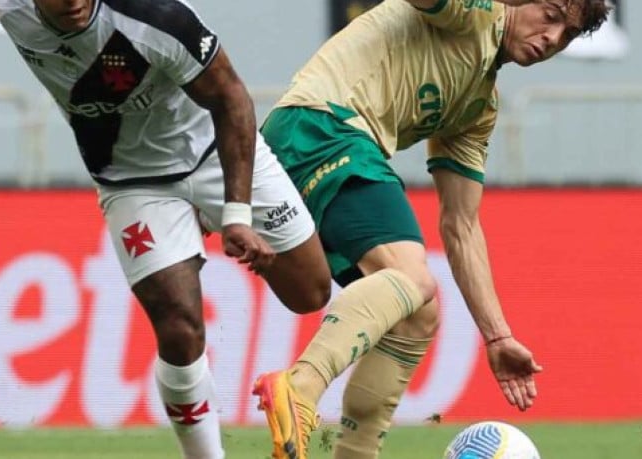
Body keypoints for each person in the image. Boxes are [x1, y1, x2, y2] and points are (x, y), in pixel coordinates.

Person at [0, 1, 334, 457]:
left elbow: (231, 100)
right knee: (178, 326)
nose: (76, 1)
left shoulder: (154, 16)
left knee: (310, 293)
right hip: (132, 179)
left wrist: (235, 215)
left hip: (213, 152)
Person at [251, 0, 611, 458]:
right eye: (551, 16)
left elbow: (461, 225)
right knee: (414, 278)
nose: (553, 38)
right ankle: (299, 389)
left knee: (418, 315)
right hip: (321, 125)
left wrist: (497, 336)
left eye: (568, 34)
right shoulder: (473, 13)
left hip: (308, 145)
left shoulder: (478, 106)